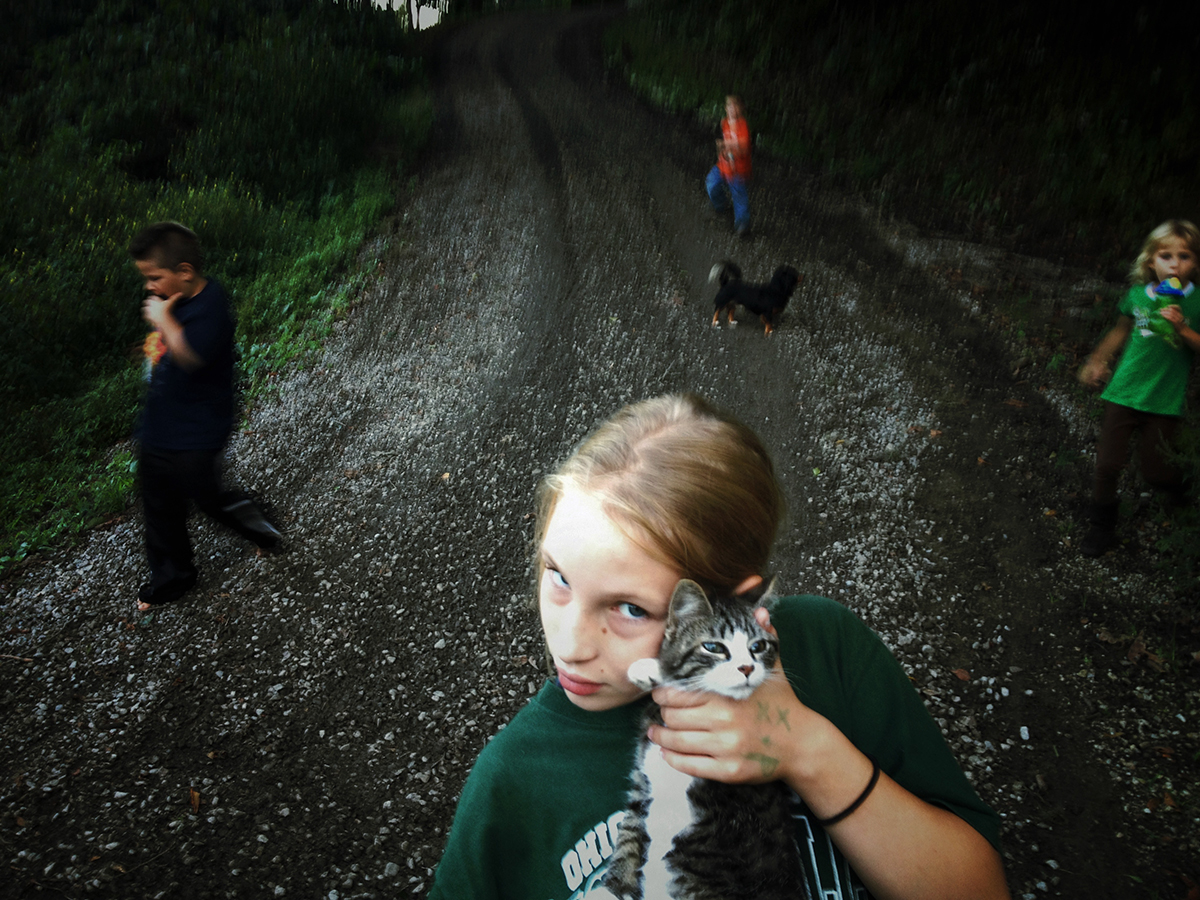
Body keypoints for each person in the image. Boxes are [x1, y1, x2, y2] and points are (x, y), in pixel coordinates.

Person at [429, 394, 1009, 900]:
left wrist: (806, 748)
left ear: (733, 601)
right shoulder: (512, 781)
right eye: (557, 576)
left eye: (631, 608)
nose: (570, 646)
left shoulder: (828, 647)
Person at [130, 221, 281, 610]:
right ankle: (172, 578)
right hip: (162, 423)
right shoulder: (172, 302)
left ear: (184, 272)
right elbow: (165, 355)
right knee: (158, 502)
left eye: (154, 277)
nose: (150, 287)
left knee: (207, 497)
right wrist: (154, 345)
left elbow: (192, 357)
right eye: (146, 278)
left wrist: (164, 324)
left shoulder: (213, 304)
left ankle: (259, 525)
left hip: (200, 428)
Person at [1077, 219, 1200, 557]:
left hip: (1164, 399)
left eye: (1185, 256)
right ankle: (1101, 524)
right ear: (1150, 261)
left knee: (1155, 470)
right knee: (1106, 465)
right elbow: (1120, 330)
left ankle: (1178, 494)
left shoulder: (1196, 303)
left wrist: (1183, 330)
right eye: (1166, 256)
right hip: (1124, 392)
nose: (1175, 264)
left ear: (1196, 263)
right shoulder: (1136, 295)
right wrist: (1098, 360)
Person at [705, 95, 753, 237]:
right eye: (729, 106)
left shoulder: (743, 125)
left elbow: (744, 146)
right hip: (723, 164)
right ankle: (722, 205)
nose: (732, 109)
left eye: (735, 106)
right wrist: (721, 150)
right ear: (726, 108)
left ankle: (743, 224)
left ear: (741, 109)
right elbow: (720, 141)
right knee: (711, 183)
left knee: (739, 195)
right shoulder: (724, 123)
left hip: (738, 169)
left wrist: (727, 144)